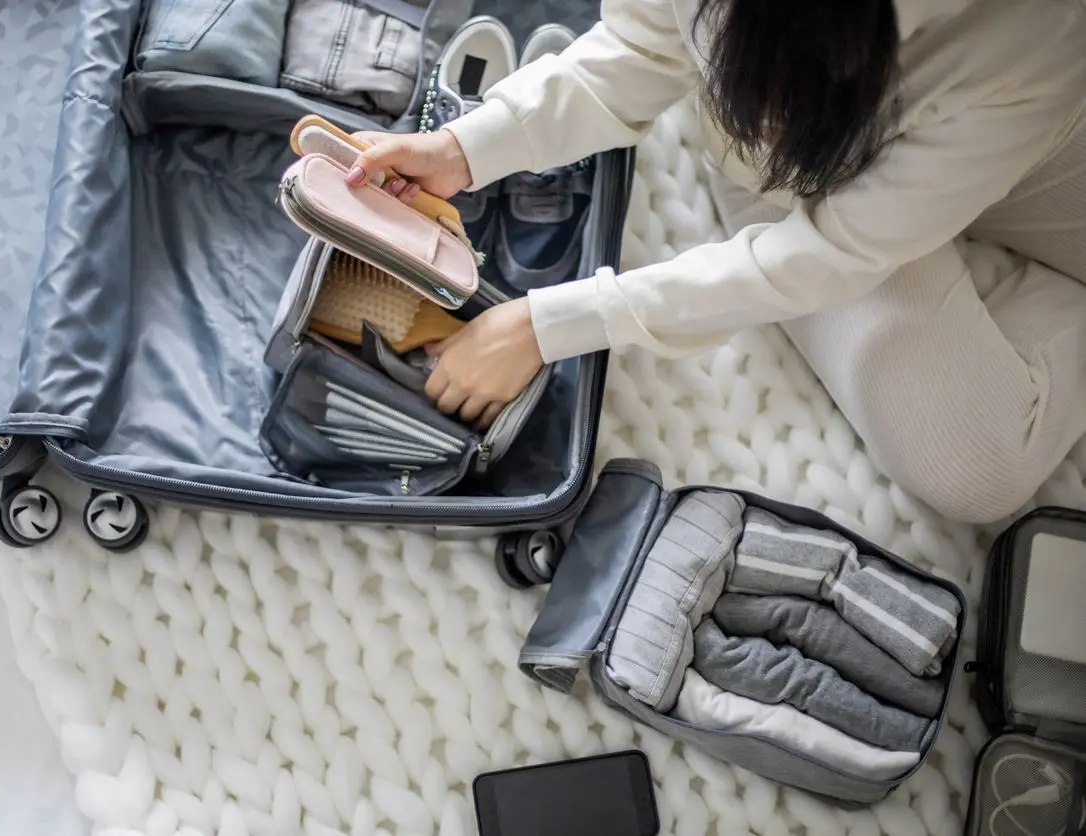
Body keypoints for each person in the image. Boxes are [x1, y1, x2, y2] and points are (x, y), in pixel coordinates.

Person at [345, 0, 1086, 524]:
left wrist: (551, 323)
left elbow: (823, 257)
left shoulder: (1028, 27)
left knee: (977, 470)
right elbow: (639, 47)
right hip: (818, 183)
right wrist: (464, 149)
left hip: (1051, 179)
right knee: (972, 467)